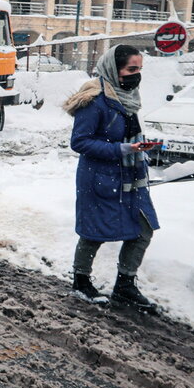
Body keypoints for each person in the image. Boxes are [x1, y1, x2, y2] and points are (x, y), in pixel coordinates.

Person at [63, 44, 160, 311]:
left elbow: (126, 134)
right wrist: (121, 149)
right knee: (94, 232)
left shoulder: (127, 96)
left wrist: (139, 146)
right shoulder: (94, 101)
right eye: (131, 69)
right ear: (113, 68)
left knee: (142, 229)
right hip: (99, 179)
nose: (136, 75)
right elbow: (79, 142)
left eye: (139, 69)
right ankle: (81, 281)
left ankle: (125, 286)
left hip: (129, 178)